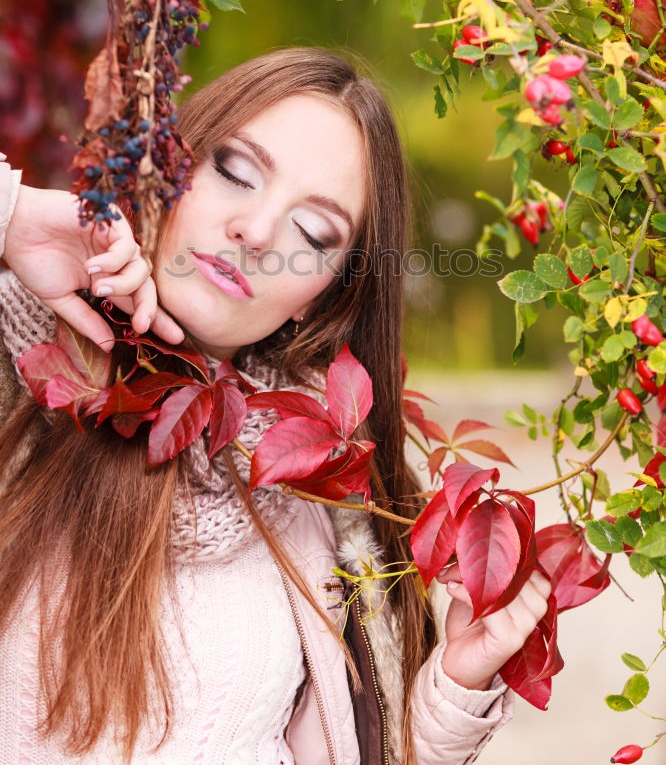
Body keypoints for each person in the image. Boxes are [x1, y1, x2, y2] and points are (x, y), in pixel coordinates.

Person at [0, 48, 551, 765]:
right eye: (234, 171)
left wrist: (452, 688)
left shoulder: (325, 477)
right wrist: (11, 216)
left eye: (314, 233)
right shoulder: (19, 370)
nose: (257, 232)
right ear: (168, 161)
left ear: (328, 292)